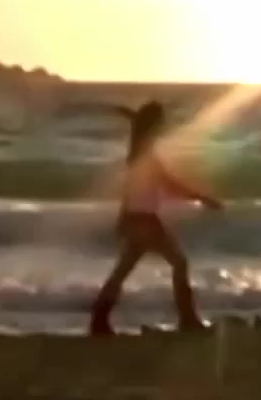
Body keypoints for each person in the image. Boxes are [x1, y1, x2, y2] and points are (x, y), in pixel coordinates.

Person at [89, 100, 225, 336]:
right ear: (153, 126)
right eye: (160, 122)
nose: (164, 126)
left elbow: (140, 134)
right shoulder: (145, 156)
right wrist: (203, 198)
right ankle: (187, 318)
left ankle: (99, 319)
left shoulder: (138, 151)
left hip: (136, 217)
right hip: (144, 220)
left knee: (123, 270)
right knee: (179, 263)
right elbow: (169, 185)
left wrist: (132, 116)